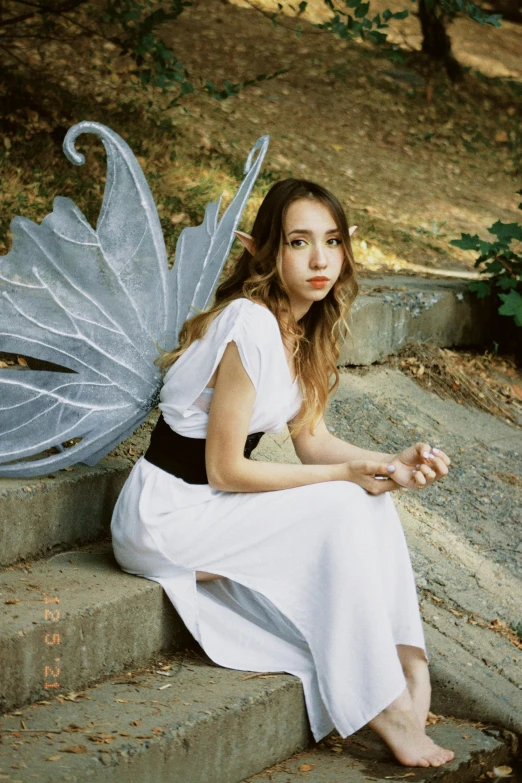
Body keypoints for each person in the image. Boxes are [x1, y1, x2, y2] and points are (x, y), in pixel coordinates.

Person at [110, 178, 455, 768]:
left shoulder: (303, 328)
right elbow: (223, 468)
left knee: (370, 498)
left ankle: (405, 663)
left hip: (212, 508)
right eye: (299, 242)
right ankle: (383, 705)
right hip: (168, 513)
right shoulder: (247, 323)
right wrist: (348, 474)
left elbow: (311, 441)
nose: (320, 259)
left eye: (332, 242)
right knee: (346, 500)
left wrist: (386, 464)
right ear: (264, 250)